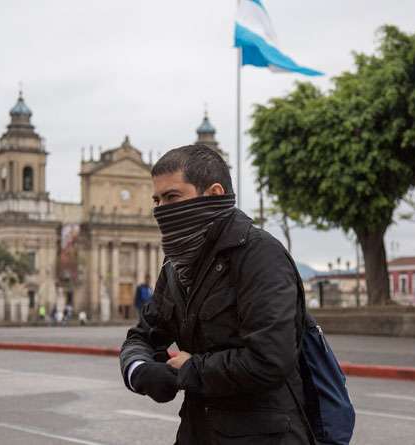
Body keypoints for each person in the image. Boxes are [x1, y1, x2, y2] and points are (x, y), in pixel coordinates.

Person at [119, 144, 309, 444]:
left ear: (215, 194)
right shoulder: (176, 265)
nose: (161, 210)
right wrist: (139, 369)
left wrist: (189, 370)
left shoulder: (260, 254)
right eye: (157, 200)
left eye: (172, 197)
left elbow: (270, 360)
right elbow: (141, 336)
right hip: (197, 431)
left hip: (264, 435)